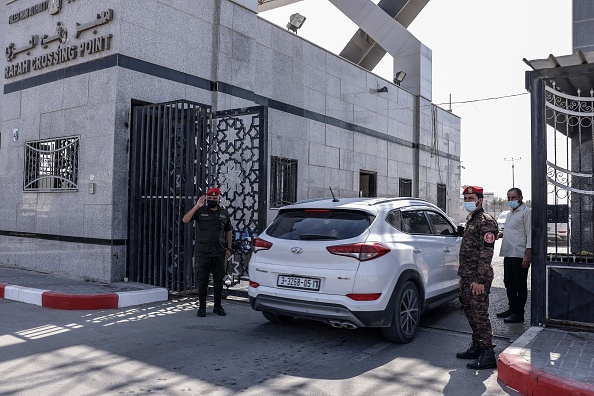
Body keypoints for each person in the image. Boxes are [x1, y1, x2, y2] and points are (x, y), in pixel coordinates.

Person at [456, 185, 499, 370]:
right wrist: (462, 277)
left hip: (478, 277)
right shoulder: (472, 219)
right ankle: (477, 346)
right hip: (467, 276)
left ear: (480, 200)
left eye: (471, 199)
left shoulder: (486, 221)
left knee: (480, 315)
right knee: (470, 312)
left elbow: (486, 253)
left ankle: (488, 353)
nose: (468, 202)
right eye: (465, 199)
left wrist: (479, 280)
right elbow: (467, 252)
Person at [182, 187, 233, 317]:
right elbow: (185, 220)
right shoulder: (201, 211)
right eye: (209, 199)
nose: (212, 201)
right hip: (203, 253)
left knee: (218, 281)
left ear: (219, 199)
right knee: (202, 281)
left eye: (214, 199)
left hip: (219, 252)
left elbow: (228, 231)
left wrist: (228, 248)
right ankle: (202, 307)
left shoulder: (224, 213)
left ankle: (217, 306)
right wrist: (196, 206)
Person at [497, 187, 532, 324]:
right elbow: (510, 230)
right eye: (509, 198)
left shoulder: (526, 212)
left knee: (520, 284)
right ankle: (512, 309)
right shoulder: (511, 213)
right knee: (508, 282)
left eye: (513, 197)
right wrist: (500, 234)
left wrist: (527, 254)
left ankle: (519, 313)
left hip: (520, 254)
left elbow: (530, 234)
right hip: (509, 252)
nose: (511, 200)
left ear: (520, 198)